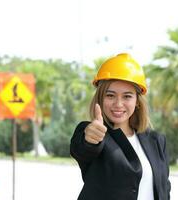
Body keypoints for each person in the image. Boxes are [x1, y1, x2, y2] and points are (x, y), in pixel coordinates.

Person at [70, 53, 171, 200]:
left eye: (127, 96)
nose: (118, 104)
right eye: (110, 95)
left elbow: (164, 189)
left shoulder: (156, 141)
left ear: (137, 101)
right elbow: (82, 150)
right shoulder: (94, 134)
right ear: (100, 98)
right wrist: (89, 139)